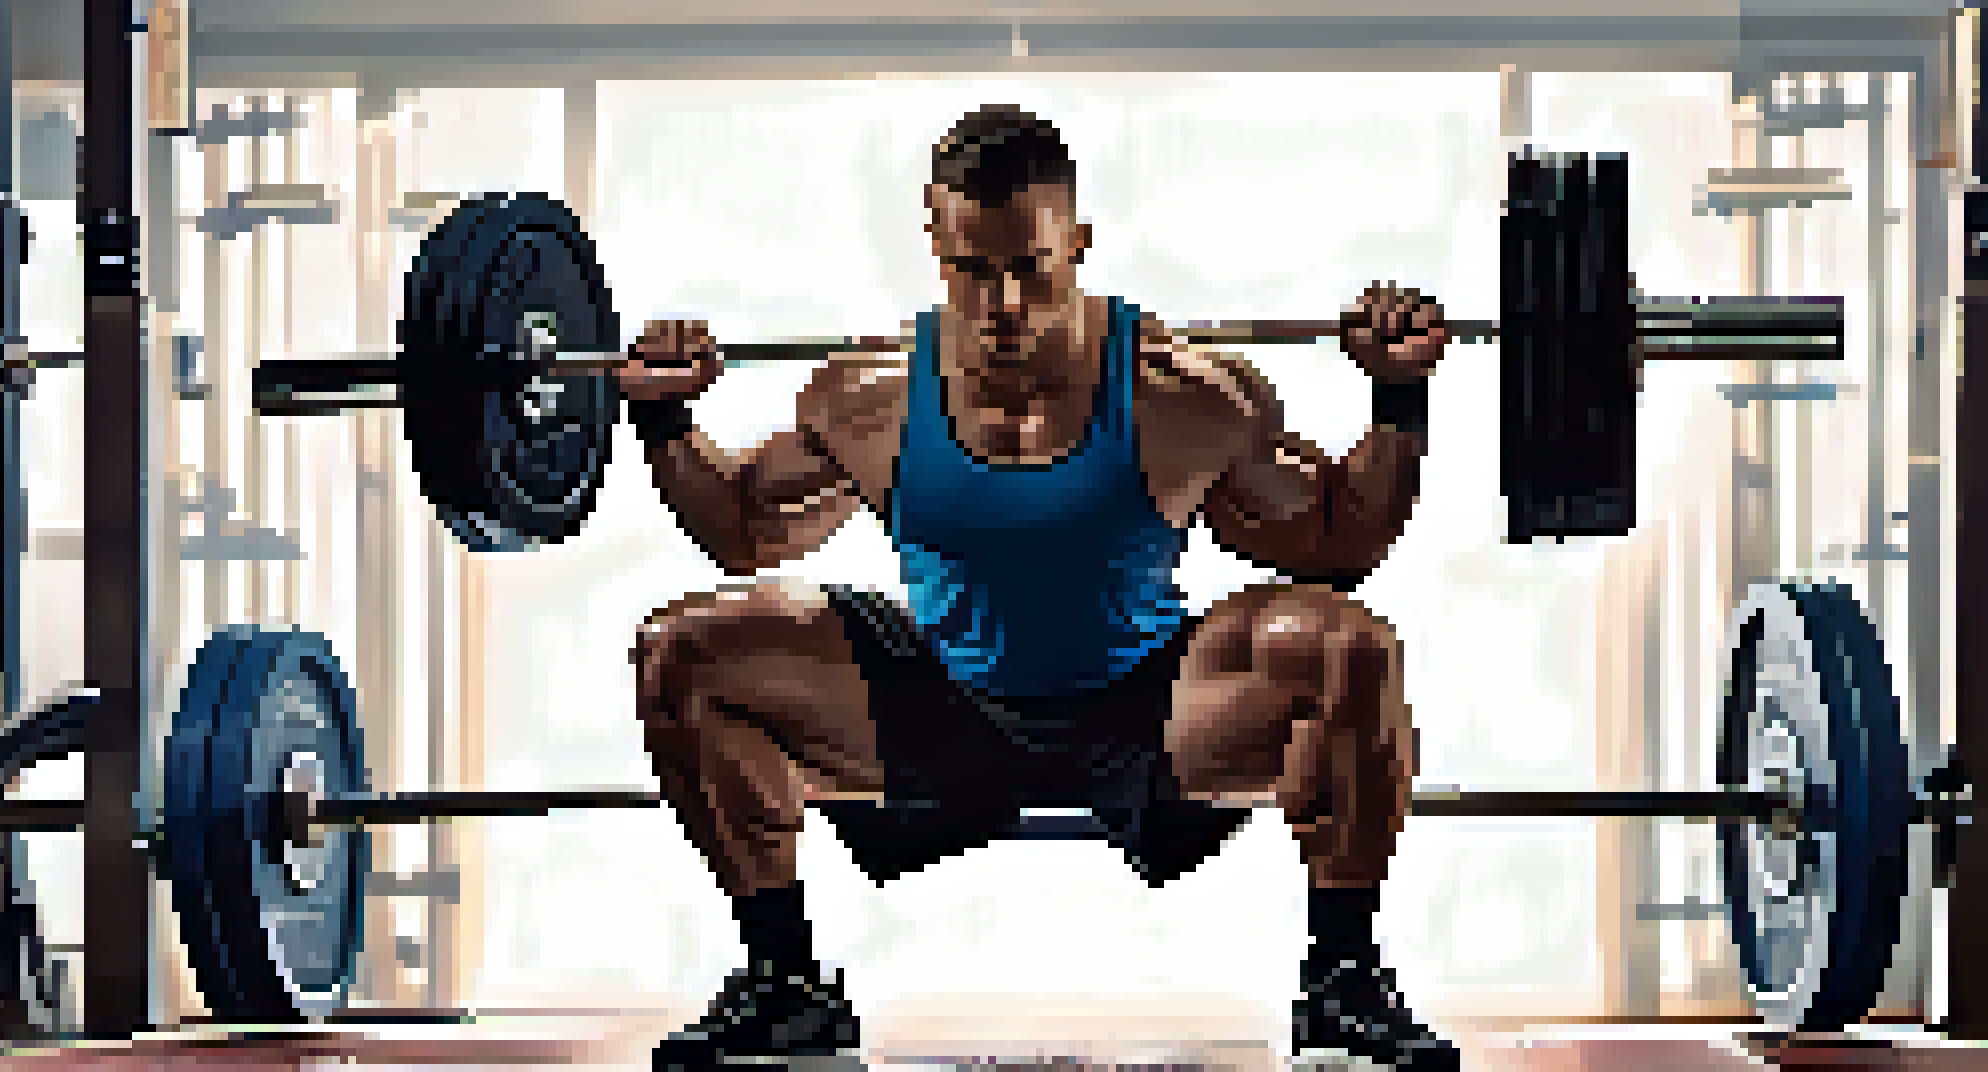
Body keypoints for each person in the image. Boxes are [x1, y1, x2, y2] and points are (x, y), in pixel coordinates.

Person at [617, 105, 1455, 1071]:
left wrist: (1398, 400)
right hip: (941, 698)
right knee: (682, 652)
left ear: (1079, 243)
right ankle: (784, 982)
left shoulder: (1177, 394)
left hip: (1149, 702)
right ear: (936, 244)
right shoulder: (872, 399)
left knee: (1348, 645)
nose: (1005, 303)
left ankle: (1344, 981)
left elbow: (1340, 539)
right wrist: (665, 425)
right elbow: (742, 531)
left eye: (1033, 268)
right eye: (974, 271)